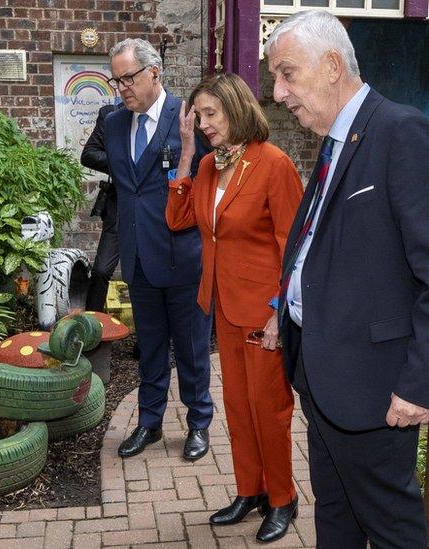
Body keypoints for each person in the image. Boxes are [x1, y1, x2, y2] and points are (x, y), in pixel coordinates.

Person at [265, 11, 429, 547]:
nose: (278, 91)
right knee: (336, 519)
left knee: (391, 529)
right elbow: (325, 245)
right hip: (324, 377)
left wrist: (419, 385)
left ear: (332, 65)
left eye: (287, 73)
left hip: (377, 390)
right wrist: (285, 306)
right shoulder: (336, 139)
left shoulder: (402, 133)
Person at [165, 73, 302, 543]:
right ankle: (251, 490)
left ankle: (283, 498)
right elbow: (179, 217)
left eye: (211, 114)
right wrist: (185, 150)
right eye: (197, 115)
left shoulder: (274, 164)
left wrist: (277, 311)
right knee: (238, 406)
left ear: (237, 109)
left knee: (270, 408)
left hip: (262, 310)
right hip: (222, 305)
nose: (203, 124)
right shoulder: (207, 165)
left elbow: (296, 246)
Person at [104, 38, 213, 461]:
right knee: (148, 348)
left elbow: (208, 182)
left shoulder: (188, 117)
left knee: (190, 348)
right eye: (117, 81)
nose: (122, 88)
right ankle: (149, 423)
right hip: (138, 259)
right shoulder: (114, 123)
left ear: (155, 72)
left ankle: (198, 422)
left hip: (183, 257)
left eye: (128, 78)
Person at [82, 102, 122, 312]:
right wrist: (123, 160)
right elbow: (88, 154)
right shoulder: (110, 114)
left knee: (147, 277)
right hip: (118, 206)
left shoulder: (163, 117)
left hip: (152, 210)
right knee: (101, 270)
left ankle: (147, 342)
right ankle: (90, 327)